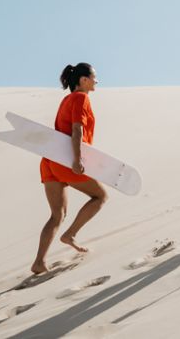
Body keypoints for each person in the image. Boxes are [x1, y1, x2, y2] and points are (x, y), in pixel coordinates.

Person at [31, 63, 107, 274]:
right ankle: (70, 234)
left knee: (57, 215)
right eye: (94, 77)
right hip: (66, 160)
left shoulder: (67, 99)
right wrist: (77, 159)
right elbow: (77, 129)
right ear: (84, 80)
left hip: (50, 160)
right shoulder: (81, 98)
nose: (97, 81)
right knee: (100, 197)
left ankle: (39, 262)